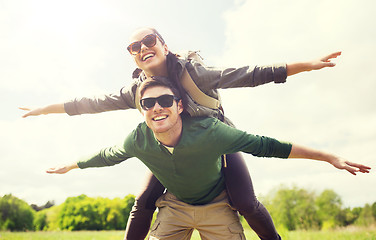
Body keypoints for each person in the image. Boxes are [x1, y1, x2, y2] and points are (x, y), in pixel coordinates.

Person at [21, 27, 342, 240]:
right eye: (135, 47)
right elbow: (91, 103)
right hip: (170, 149)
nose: (143, 48)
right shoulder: (135, 90)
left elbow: (249, 74)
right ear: (133, 56)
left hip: (216, 143)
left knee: (244, 201)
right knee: (144, 200)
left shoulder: (194, 75)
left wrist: (306, 65)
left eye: (149, 41)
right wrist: (44, 109)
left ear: (164, 46)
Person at [47, 77, 370, 240]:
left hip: (218, 205)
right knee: (143, 200)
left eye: (164, 100)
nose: (157, 107)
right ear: (142, 110)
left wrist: (329, 157)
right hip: (175, 207)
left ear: (180, 106)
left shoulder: (212, 133)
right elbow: (108, 155)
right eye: (148, 103)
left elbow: (267, 145)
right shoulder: (138, 139)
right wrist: (73, 164)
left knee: (249, 203)